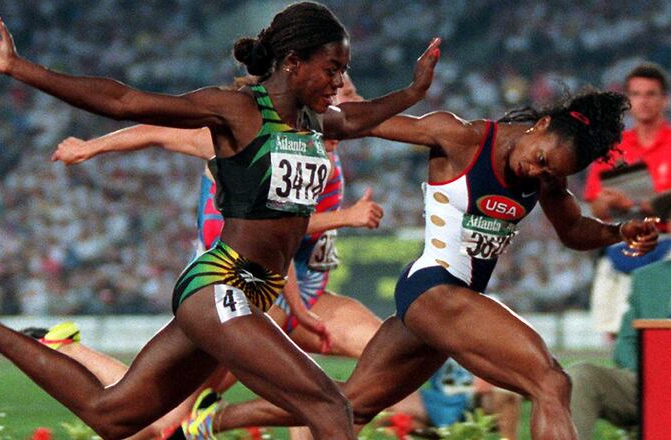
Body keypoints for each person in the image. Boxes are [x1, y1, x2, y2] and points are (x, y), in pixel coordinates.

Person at [0, 3, 441, 439]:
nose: (340, 80)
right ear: (294, 61)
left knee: (116, 417)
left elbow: (360, 118)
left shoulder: (314, 120)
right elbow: (124, 101)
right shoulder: (239, 110)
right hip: (220, 285)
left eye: (343, 70)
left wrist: (413, 94)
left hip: (250, 294)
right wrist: (17, 67)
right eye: (333, 68)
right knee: (328, 407)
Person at [180, 89, 661, 440]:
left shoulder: (548, 177)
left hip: (445, 303)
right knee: (551, 381)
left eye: (551, 173)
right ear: (539, 127)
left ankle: (210, 421)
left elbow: (574, 231)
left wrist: (618, 231)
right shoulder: (459, 136)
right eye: (541, 160)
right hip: (433, 287)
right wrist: (274, 110)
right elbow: (353, 123)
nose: (537, 173)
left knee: (348, 405)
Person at [584, 62, 671, 339]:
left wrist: (652, 204)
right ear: (627, 101)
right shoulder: (614, 148)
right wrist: (609, 201)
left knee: (660, 330)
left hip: (666, 241)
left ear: (664, 99)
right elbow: (595, 206)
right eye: (636, 94)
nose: (643, 101)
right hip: (623, 240)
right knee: (614, 331)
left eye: (651, 94)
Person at [568, 256, 671, 440]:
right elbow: (626, 342)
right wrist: (649, 378)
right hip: (648, 382)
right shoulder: (647, 278)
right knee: (581, 377)